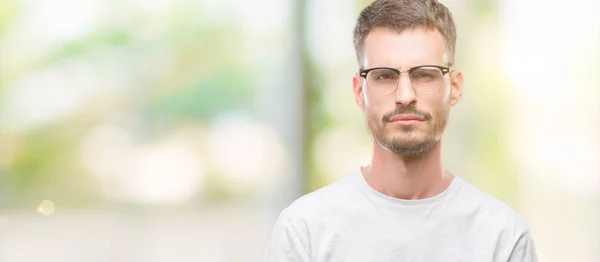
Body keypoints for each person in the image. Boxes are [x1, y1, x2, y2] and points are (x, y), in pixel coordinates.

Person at [263, 0, 538, 261]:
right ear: (359, 92)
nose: (405, 95)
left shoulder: (503, 237)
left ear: (454, 87)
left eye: (424, 74)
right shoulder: (304, 231)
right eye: (384, 75)